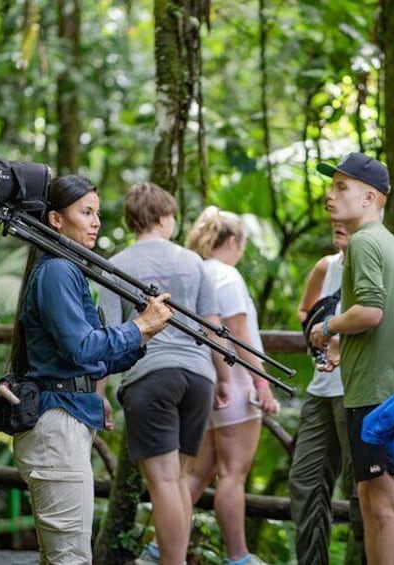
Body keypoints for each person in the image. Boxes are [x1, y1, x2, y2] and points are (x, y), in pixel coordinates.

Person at [7, 175, 173, 565]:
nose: (96, 222)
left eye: (98, 213)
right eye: (86, 212)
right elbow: (82, 347)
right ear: (56, 220)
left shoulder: (66, 270)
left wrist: (143, 332)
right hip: (56, 426)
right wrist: (138, 327)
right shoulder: (57, 272)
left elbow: (97, 357)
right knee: (70, 559)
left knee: (62, 558)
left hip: (65, 422)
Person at [98, 182, 231, 565]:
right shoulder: (193, 261)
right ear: (162, 217)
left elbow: (107, 337)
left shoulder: (117, 265)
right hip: (198, 378)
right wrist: (222, 378)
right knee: (177, 480)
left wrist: (99, 394)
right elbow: (213, 326)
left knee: (164, 484)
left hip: (150, 377)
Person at [308, 153, 394, 564]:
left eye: (340, 188)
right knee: (378, 505)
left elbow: (371, 311)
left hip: (377, 391)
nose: (329, 197)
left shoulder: (366, 242)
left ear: (370, 197)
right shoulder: (391, 245)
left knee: (383, 506)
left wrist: (328, 327)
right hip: (381, 386)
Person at [182, 205, 280, 565]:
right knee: (233, 474)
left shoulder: (193, 271)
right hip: (235, 384)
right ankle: (238, 557)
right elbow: (238, 335)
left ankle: (161, 546)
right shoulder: (228, 275)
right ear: (234, 241)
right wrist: (262, 383)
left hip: (204, 382)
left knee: (197, 473)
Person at [289, 222, 365, 565]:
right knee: (305, 482)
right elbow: (305, 312)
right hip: (320, 389)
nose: (338, 224)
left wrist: (340, 337)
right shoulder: (326, 266)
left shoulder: (374, 266)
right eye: (334, 220)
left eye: (346, 221)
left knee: (361, 489)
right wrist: (317, 332)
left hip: (358, 389)